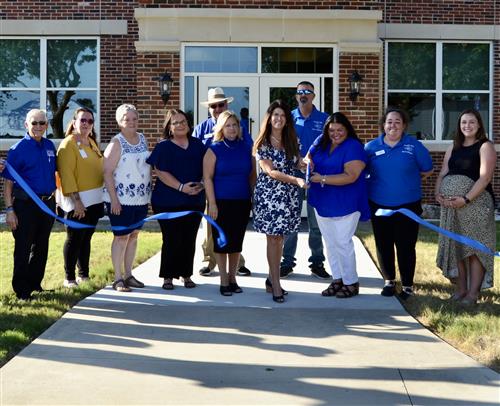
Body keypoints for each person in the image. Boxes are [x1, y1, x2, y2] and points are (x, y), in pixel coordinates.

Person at [365, 108, 433, 300]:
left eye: (397, 122)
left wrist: (408, 181)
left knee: (405, 246)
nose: (393, 125)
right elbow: (362, 172)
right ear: (383, 125)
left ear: (404, 126)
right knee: (383, 244)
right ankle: (389, 281)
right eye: (389, 122)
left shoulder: (414, 146)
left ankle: (408, 286)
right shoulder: (370, 148)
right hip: (379, 205)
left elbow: (427, 169)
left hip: (408, 206)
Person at [435, 109, 496, 305]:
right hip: (452, 208)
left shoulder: (485, 146)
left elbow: (485, 177)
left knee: (473, 249)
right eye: (463, 123)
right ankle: (460, 290)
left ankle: (472, 293)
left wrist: (466, 198)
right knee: (457, 247)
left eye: (471, 122)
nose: (467, 126)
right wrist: (438, 193)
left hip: (475, 205)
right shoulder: (454, 147)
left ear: (479, 125)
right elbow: (444, 172)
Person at [307, 112, 370, 298]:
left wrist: (322, 178)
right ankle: (337, 279)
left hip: (346, 202)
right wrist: (307, 163)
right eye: (331, 130)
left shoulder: (353, 147)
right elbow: (308, 157)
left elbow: (351, 176)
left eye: (340, 129)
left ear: (347, 129)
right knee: (331, 243)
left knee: (343, 242)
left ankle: (351, 282)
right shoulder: (322, 142)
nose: (335, 133)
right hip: (322, 201)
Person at [193, 87, 252, 277]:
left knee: (234, 229)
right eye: (214, 106)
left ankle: (238, 263)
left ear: (227, 105)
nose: (217, 108)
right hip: (209, 185)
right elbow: (193, 155)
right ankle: (210, 262)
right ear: (209, 108)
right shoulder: (201, 129)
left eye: (221, 104)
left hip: (235, 189)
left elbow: (249, 152)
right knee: (211, 228)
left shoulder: (238, 127)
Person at [253, 100, 307, 303]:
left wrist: (304, 165)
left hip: (289, 197)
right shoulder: (262, 143)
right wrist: (296, 179)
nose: (279, 118)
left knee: (281, 239)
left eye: (283, 115)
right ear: (269, 118)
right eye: (276, 114)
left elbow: (297, 163)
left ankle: (270, 279)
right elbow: (270, 171)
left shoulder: (293, 140)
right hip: (269, 196)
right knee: (273, 239)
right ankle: (276, 284)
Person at [147, 109, 206, 290]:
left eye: (183, 121)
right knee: (172, 238)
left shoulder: (198, 145)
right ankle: (168, 276)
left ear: (188, 125)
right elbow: (160, 171)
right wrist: (181, 187)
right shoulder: (163, 146)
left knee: (189, 238)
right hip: (168, 201)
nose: (180, 125)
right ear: (169, 127)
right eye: (175, 122)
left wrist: (202, 184)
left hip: (194, 201)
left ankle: (186, 275)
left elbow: (208, 167)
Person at [2, 109, 56, 300]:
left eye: (42, 123)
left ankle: (35, 284)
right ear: (26, 125)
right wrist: (10, 210)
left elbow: (54, 174)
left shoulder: (50, 145)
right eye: (34, 123)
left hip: (47, 204)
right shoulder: (18, 150)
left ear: (47, 125)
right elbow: (8, 184)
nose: (38, 127)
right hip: (25, 206)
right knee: (23, 248)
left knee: (41, 247)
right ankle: (21, 291)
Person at [203, 111, 256, 296]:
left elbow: (251, 176)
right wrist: (212, 204)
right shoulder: (214, 149)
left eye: (235, 125)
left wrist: (254, 199)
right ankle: (223, 279)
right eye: (228, 125)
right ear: (221, 128)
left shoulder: (247, 147)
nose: (232, 129)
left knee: (236, 242)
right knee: (221, 243)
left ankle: (233, 278)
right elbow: (207, 178)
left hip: (242, 201)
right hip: (220, 203)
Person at [280, 81, 328, 279]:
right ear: (296, 96)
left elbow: (329, 145)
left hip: (316, 176)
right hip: (294, 174)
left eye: (307, 91)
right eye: (300, 92)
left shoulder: (324, 119)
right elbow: (282, 145)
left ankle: (317, 263)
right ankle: (287, 262)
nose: (303, 95)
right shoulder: (289, 118)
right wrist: (297, 160)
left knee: (316, 223)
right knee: (292, 221)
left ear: (313, 96)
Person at [103, 104, 152, 292]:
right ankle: (118, 278)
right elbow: (107, 172)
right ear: (119, 122)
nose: (131, 122)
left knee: (133, 236)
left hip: (140, 199)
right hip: (120, 199)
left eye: (134, 118)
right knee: (121, 237)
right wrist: (114, 200)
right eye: (126, 119)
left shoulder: (142, 139)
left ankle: (129, 274)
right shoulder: (116, 143)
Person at [56, 107, 104, 288]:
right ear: (74, 121)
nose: (86, 124)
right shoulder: (68, 144)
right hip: (78, 202)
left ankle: (84, 274)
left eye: (90, 121)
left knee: (86, 238)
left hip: (94, 200)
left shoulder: (91, 142)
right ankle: (69, 278)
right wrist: (77, 201)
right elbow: (66, 174)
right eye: (83, 120)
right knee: (74, 239)